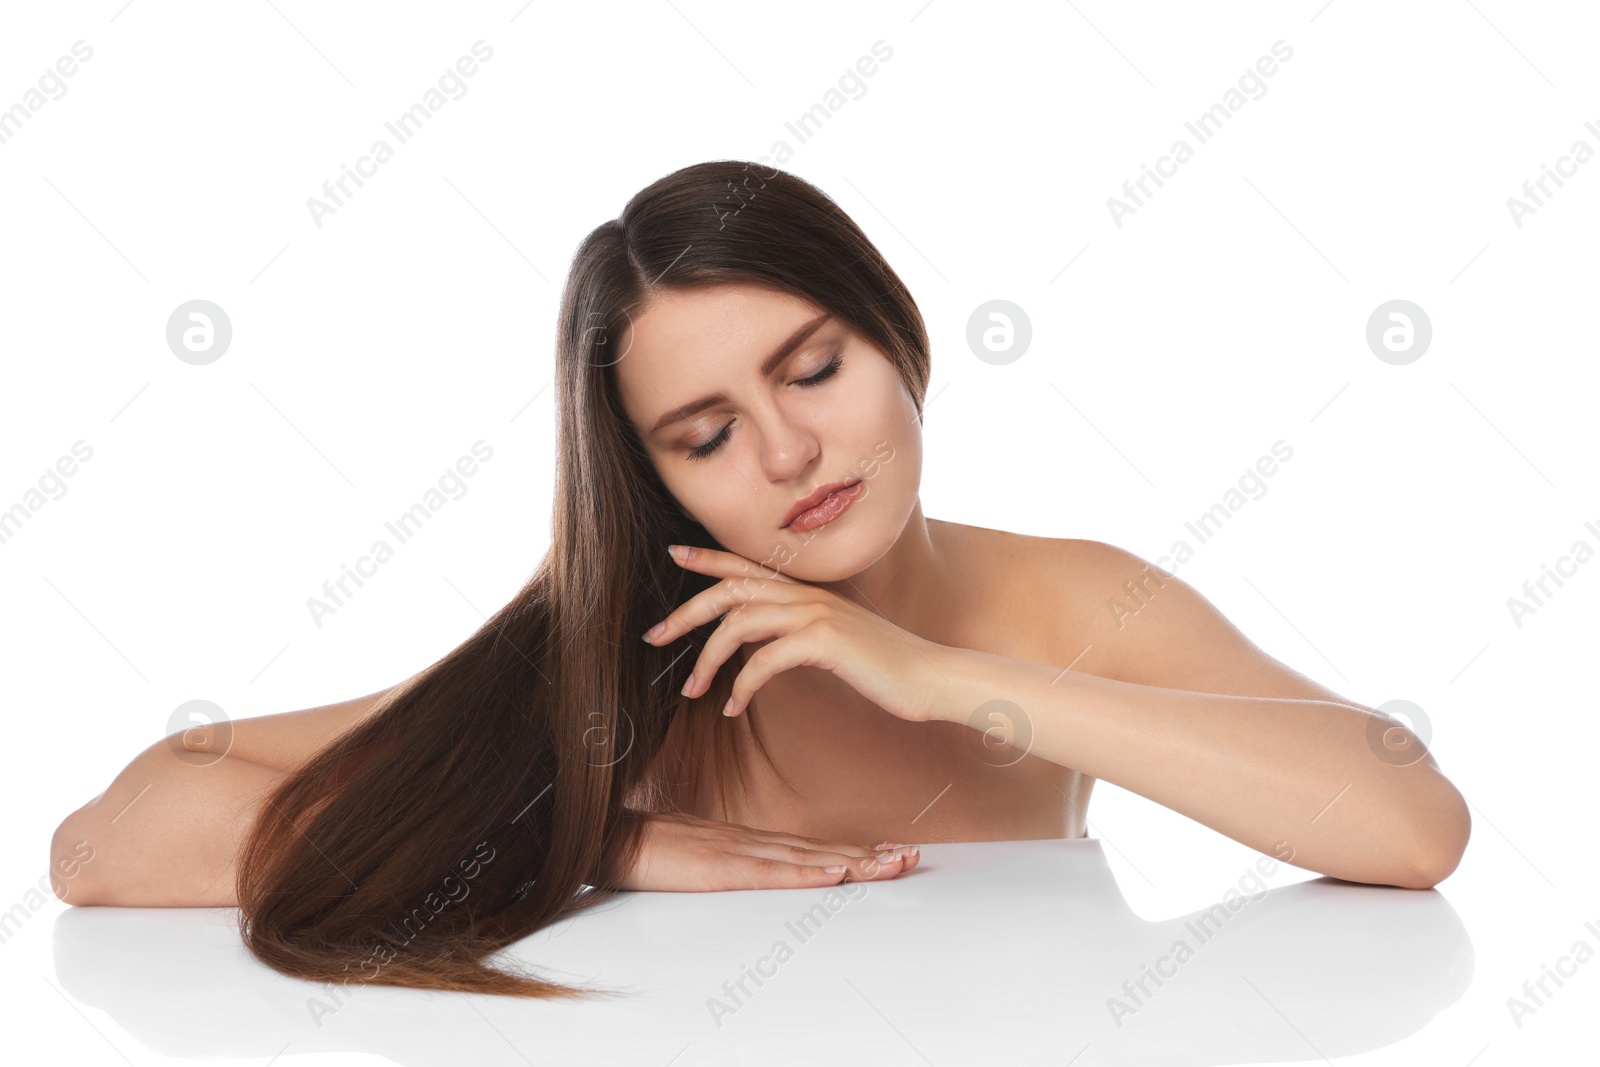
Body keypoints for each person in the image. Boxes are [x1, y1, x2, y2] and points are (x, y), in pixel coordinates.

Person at [48, 160, 1469, 1000]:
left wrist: (942, 678)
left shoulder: (1066, 601)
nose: (793, 451)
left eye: (816, 369)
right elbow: (107, 843)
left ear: (897, 336)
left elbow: (1410, 822)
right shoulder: (612, 656)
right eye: (709, 435)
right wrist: (589, 840)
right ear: (655, 479)